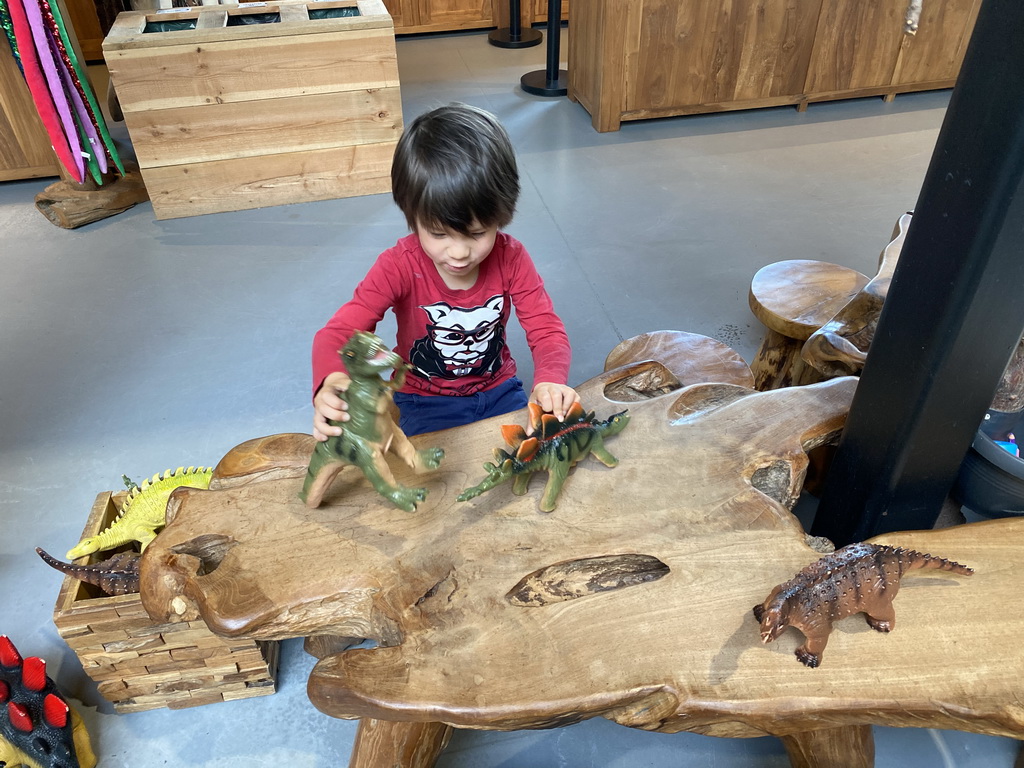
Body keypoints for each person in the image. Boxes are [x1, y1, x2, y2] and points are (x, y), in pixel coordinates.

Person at [312, 103, 579, 441]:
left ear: (501, 215)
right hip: (424, 401)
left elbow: (546, 328)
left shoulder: (511, 257)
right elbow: (335, 335)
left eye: (477, 233)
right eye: (439, 234)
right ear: (413, 216)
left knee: (534, 455)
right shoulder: (398, 265)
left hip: (499, 391)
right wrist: (332, 380)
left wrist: (550, 379)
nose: (459, 252)